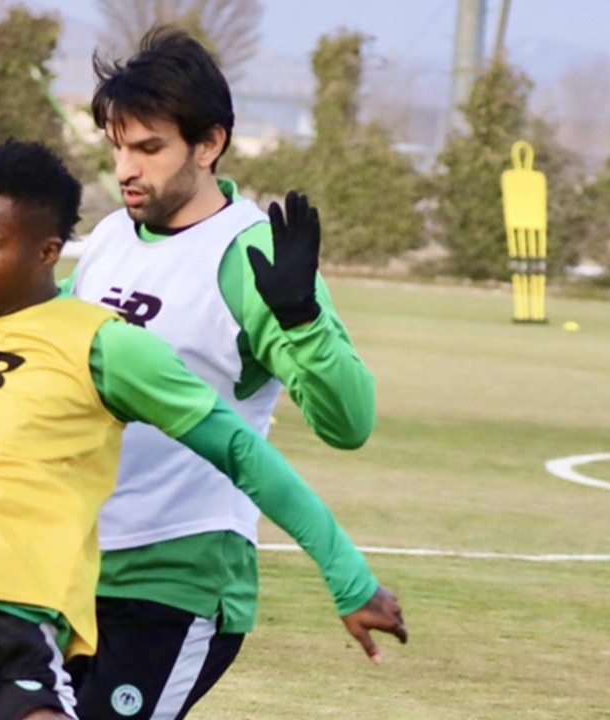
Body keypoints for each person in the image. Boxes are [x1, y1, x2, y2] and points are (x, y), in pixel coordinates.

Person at [0, 140, 405, 720]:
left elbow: (242, 451)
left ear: (47, 251)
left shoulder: (106, 345)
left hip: (9, 637)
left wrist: (349, 579)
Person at [65, 27, 386, 719]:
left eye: (149, 148)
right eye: (118, 147)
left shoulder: (252, 257)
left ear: (209, 143)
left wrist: (303, 320)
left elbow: (350, 422)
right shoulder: (110, 238)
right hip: (72, 564)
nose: (126, 168)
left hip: (179, 574)